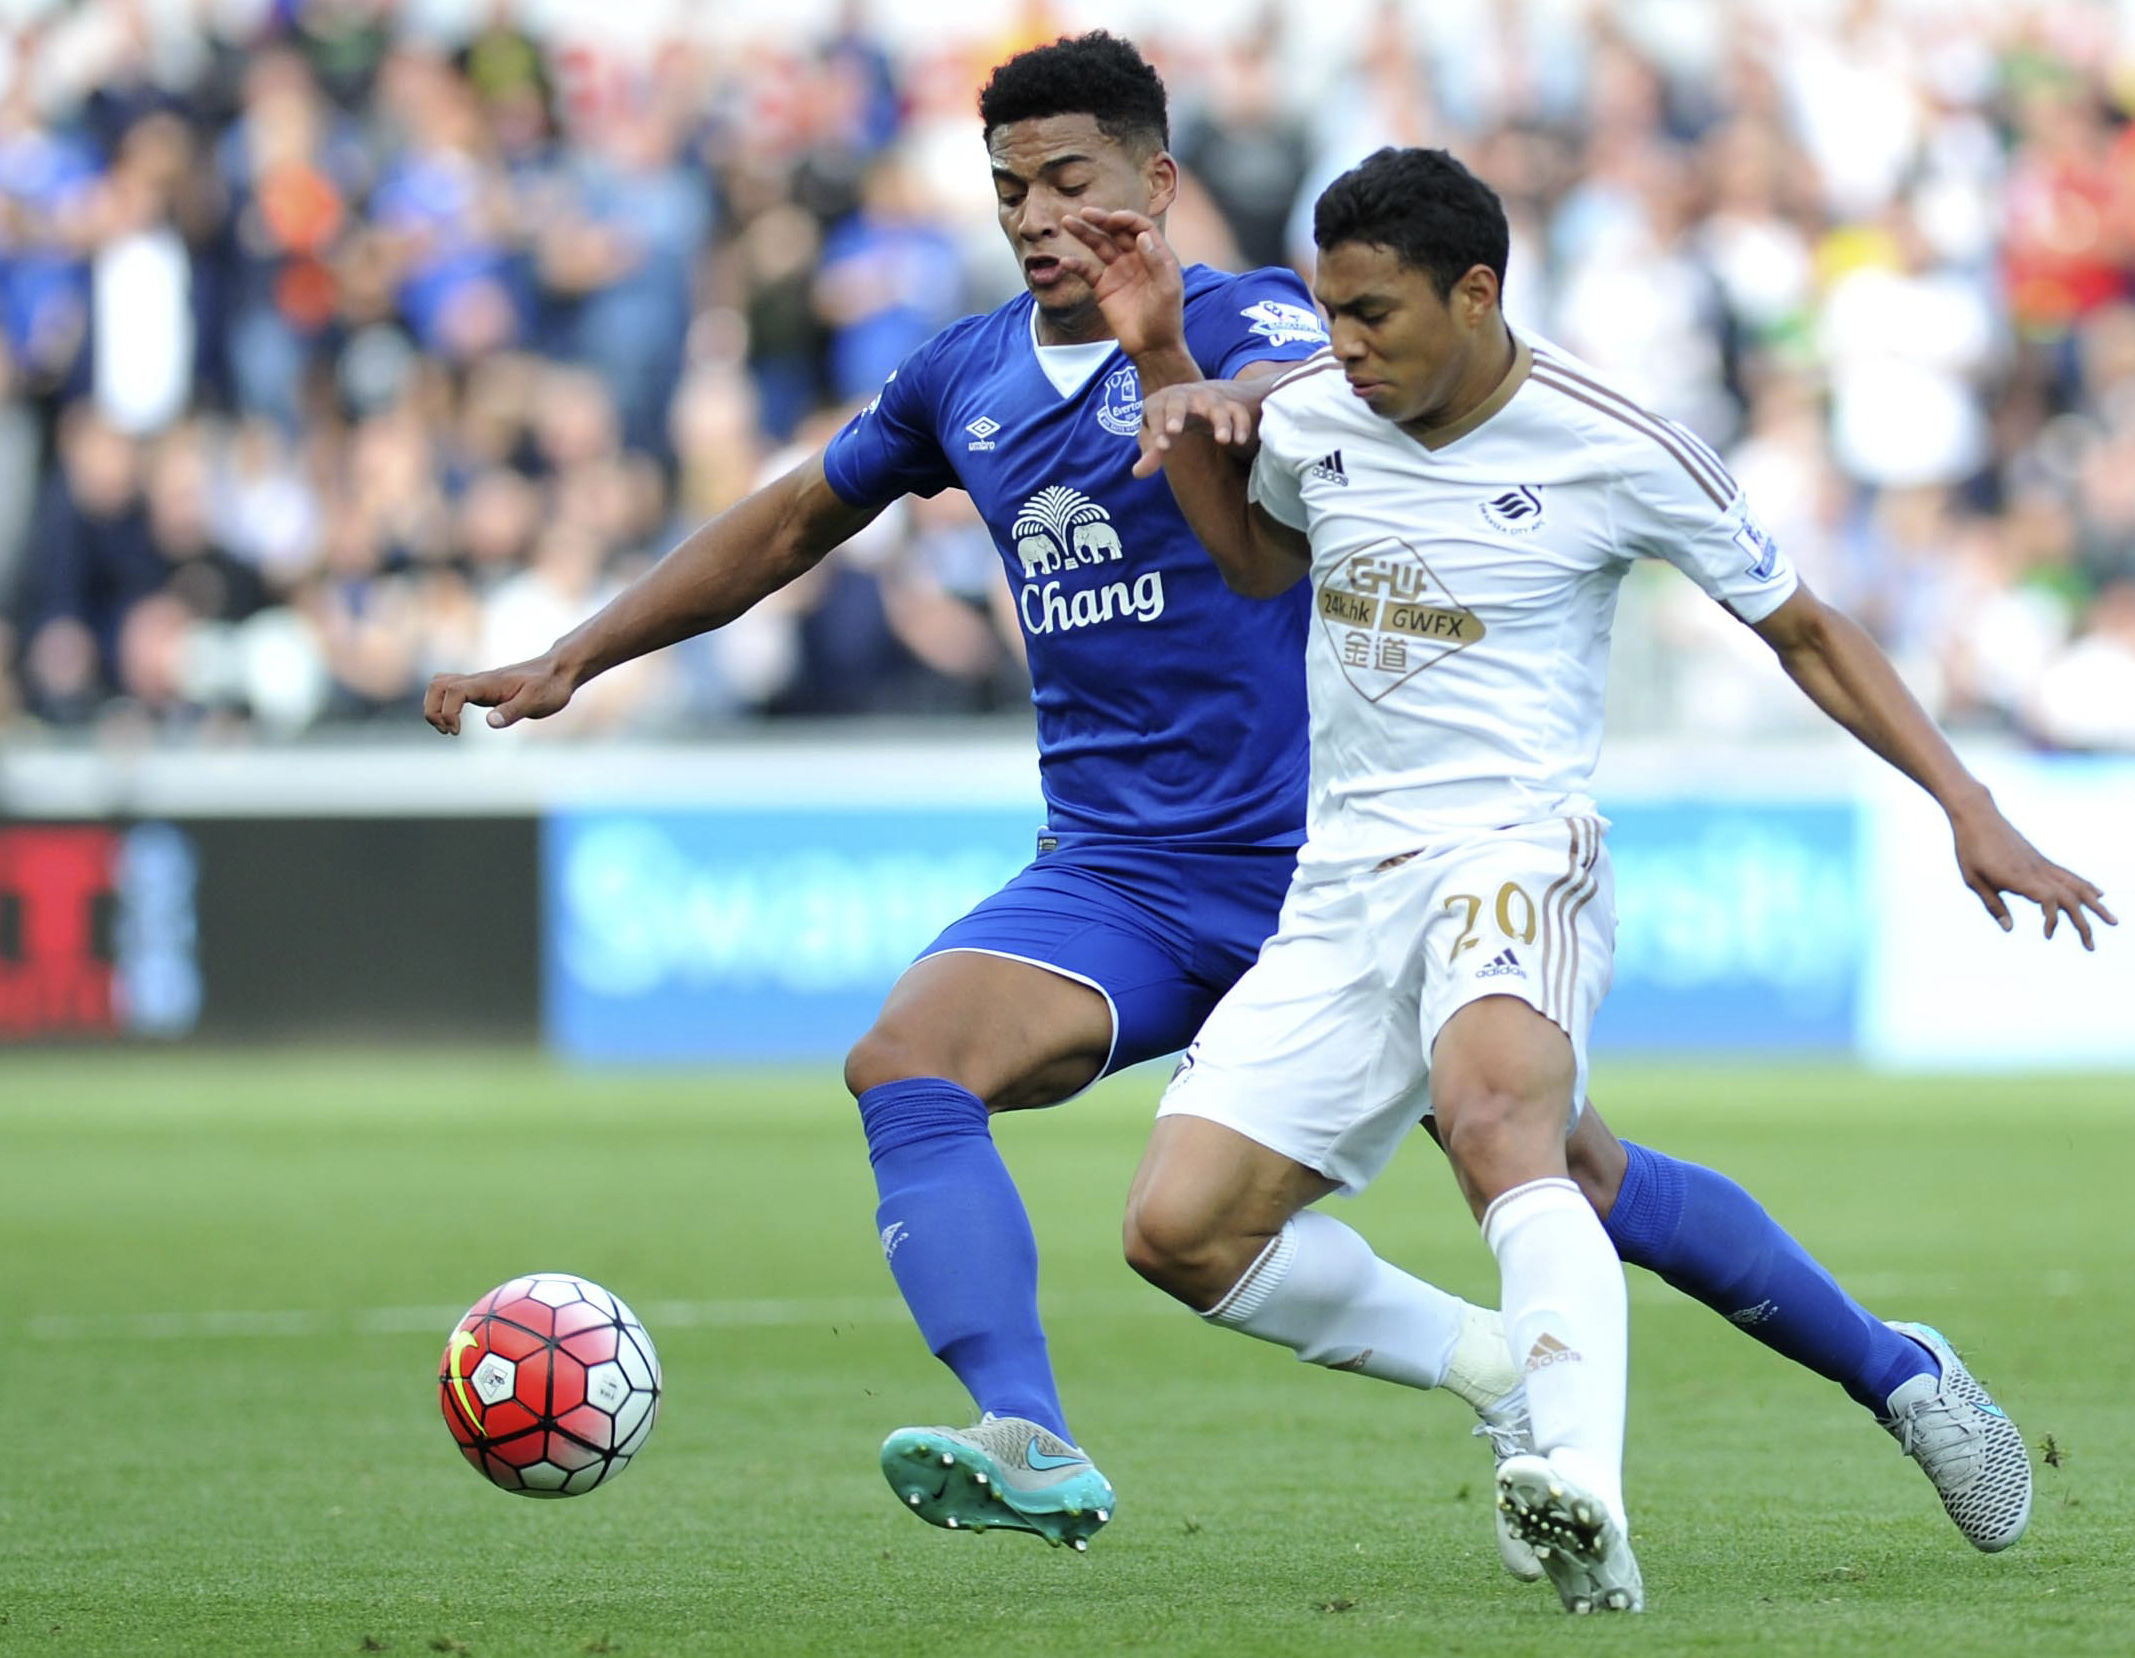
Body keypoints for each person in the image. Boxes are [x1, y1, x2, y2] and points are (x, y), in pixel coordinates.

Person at [423, 37, 2070, 1573]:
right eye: (1008, 188)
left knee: (1567, 1169)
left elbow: (1311, 388)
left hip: (1334, 866)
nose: (1038, 216)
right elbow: (792, 520)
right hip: (1122, 877)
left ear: (1156, 180)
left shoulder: (1277, 321)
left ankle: (1896, 1371)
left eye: (1071, 179)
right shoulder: (961, 378)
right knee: (909, 1063)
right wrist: (579, 651)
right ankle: (1037, 1426)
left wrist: (1203, 380)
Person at [1083, 146, 2112, 1612]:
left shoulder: (1613, 442)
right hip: (1346, 883)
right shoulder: (1309, 415)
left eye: (1372, 313)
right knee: (1184, 1229)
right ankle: (1799, 1369)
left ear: (1477, 292)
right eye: (1331, 310)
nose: (1343, 343)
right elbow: (1257, 566)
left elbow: (1806, 629)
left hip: (1516, 850)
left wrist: (1970, 805)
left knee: (1502, 1126)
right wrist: (1165, 366)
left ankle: (1579, 1481)